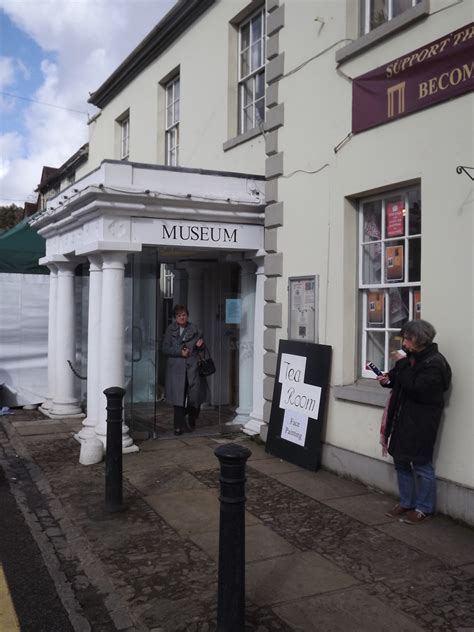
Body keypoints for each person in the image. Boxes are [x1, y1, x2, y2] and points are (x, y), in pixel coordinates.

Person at [377, 319, 451, 524]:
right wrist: (387, 379)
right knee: (400, 461)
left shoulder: (435, 363)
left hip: (421, 423)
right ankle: (407, 502)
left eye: (408, 339)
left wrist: (401, 363)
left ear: (420, 340)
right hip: (402, 419)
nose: (404, 344)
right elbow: (399, 380)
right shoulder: (411, 358)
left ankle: (424, 508)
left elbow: (416, 388)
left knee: (421, 464)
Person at [162, 304, 207, 435]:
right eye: (179, 315)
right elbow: (164, 348)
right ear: (175, 318)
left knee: (194, 395)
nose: (182, 317)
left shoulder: (195, 329)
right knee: (178, 398)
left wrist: (201, 345)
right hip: (176, 369)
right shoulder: (170, 330)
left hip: (192, 367)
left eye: (184, 315)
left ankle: (192, 415)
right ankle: (178, 426)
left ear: (187, 316)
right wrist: (179, 352)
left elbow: (203, 348)